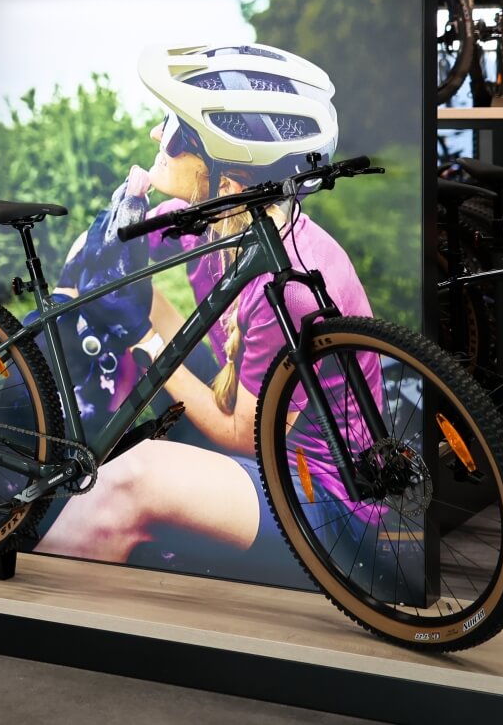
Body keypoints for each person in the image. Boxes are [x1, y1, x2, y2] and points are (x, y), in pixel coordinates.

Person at [34, 42, 377, 584]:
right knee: (128, 313)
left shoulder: (291, 285)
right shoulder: (213, 220)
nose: (157, 135)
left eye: (175, 132)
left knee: (129, 480)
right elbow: (109, 254)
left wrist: (148, 343)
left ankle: (40, 608)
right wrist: (114, 228)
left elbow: (244, 434)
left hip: (323, 489)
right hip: (263, 441)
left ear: (227, 182)